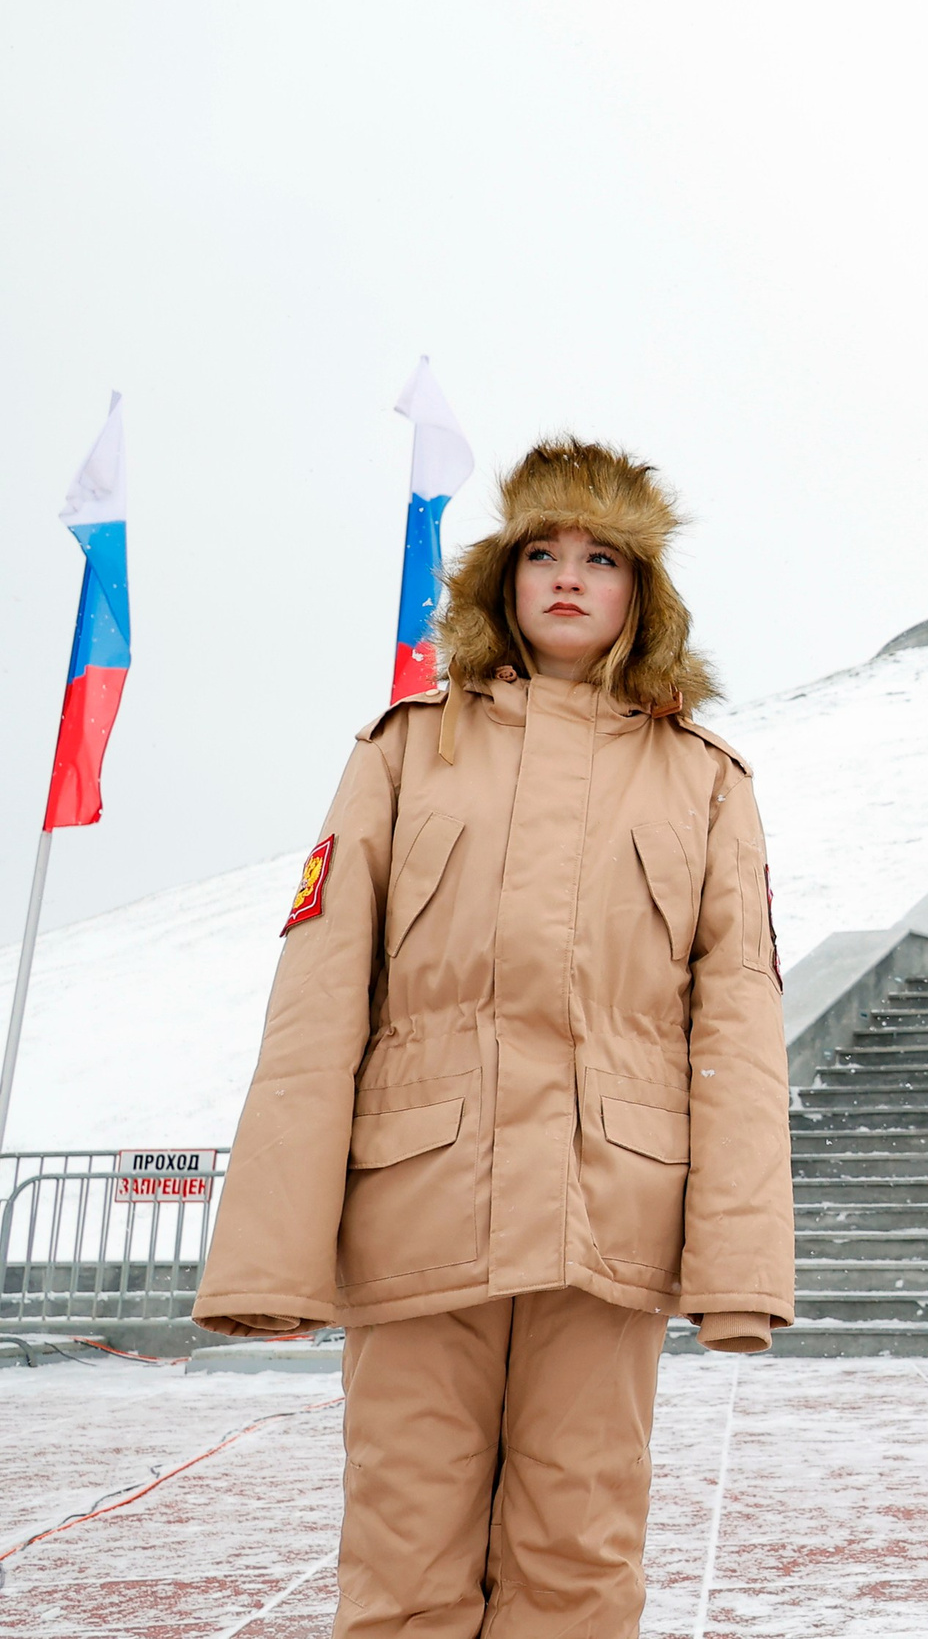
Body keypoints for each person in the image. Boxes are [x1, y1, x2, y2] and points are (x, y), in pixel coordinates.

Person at [192, 441, 795, 1639]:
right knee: (402, 1552)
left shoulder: (705, 781)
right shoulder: (403, 750)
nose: (568, 578)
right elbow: (317, 1002)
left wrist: (738, 1269)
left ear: (642, 591)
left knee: (579, 1559)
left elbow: (738, 1027)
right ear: (500, 579)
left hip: (608, 1222)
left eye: (601, 558)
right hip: (419, 1212)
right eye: (542, 554)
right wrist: (271, 1257)